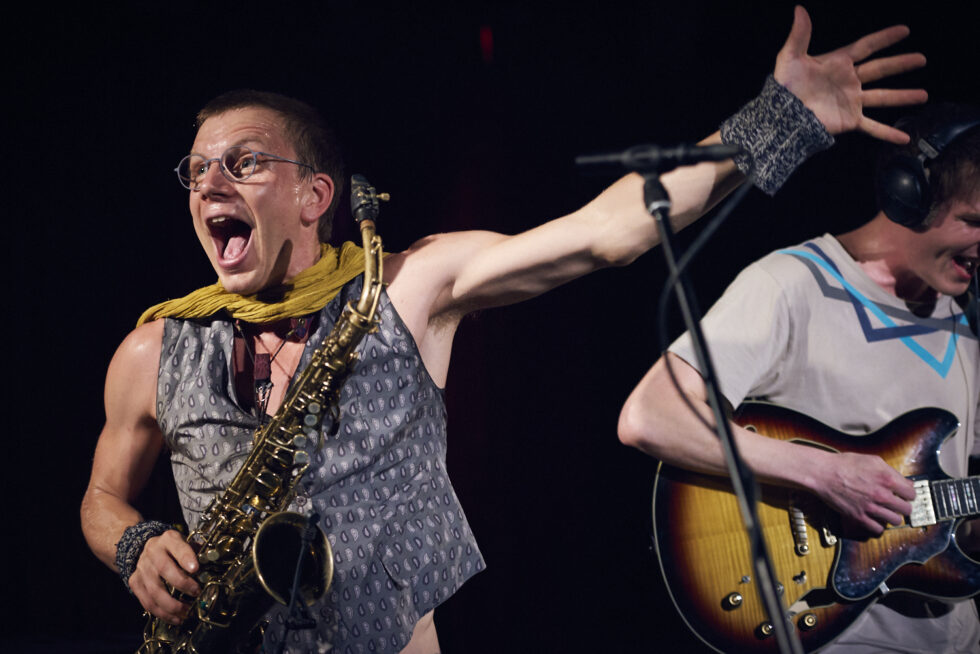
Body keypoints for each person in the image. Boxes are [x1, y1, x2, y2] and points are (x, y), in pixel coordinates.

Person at [81, 7, 928, 653]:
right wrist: (133, 544)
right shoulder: (158, 345)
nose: (209, 184)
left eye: (244, 161)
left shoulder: (411, 287)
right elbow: (99, 499)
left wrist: (775, 122)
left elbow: (609, 232)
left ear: (315, 196)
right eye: (196, 170)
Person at [618, 100, 980, 652]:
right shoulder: (793, 284)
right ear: (909, 196)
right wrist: (822, 472)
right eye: (973, 222)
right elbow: (651, 416)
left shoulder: (966, 321)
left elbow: (954, 511)